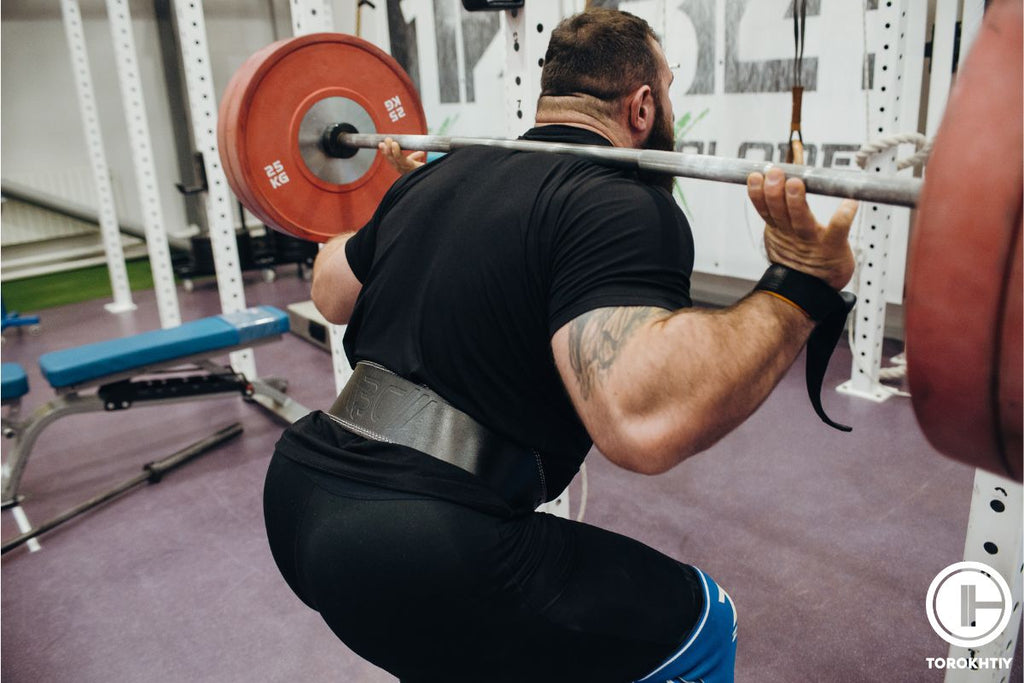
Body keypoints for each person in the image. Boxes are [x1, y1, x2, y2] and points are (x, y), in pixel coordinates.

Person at [262, 8, 856, 683]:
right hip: (421, 548)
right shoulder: (621, 201)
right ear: (642, 108)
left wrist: (406, 205)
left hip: (299, 496)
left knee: (453, 643)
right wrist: (799, 285)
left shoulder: (434, 178)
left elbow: (331, 287)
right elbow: (637, 421)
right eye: (668, 88)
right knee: (704, 621)